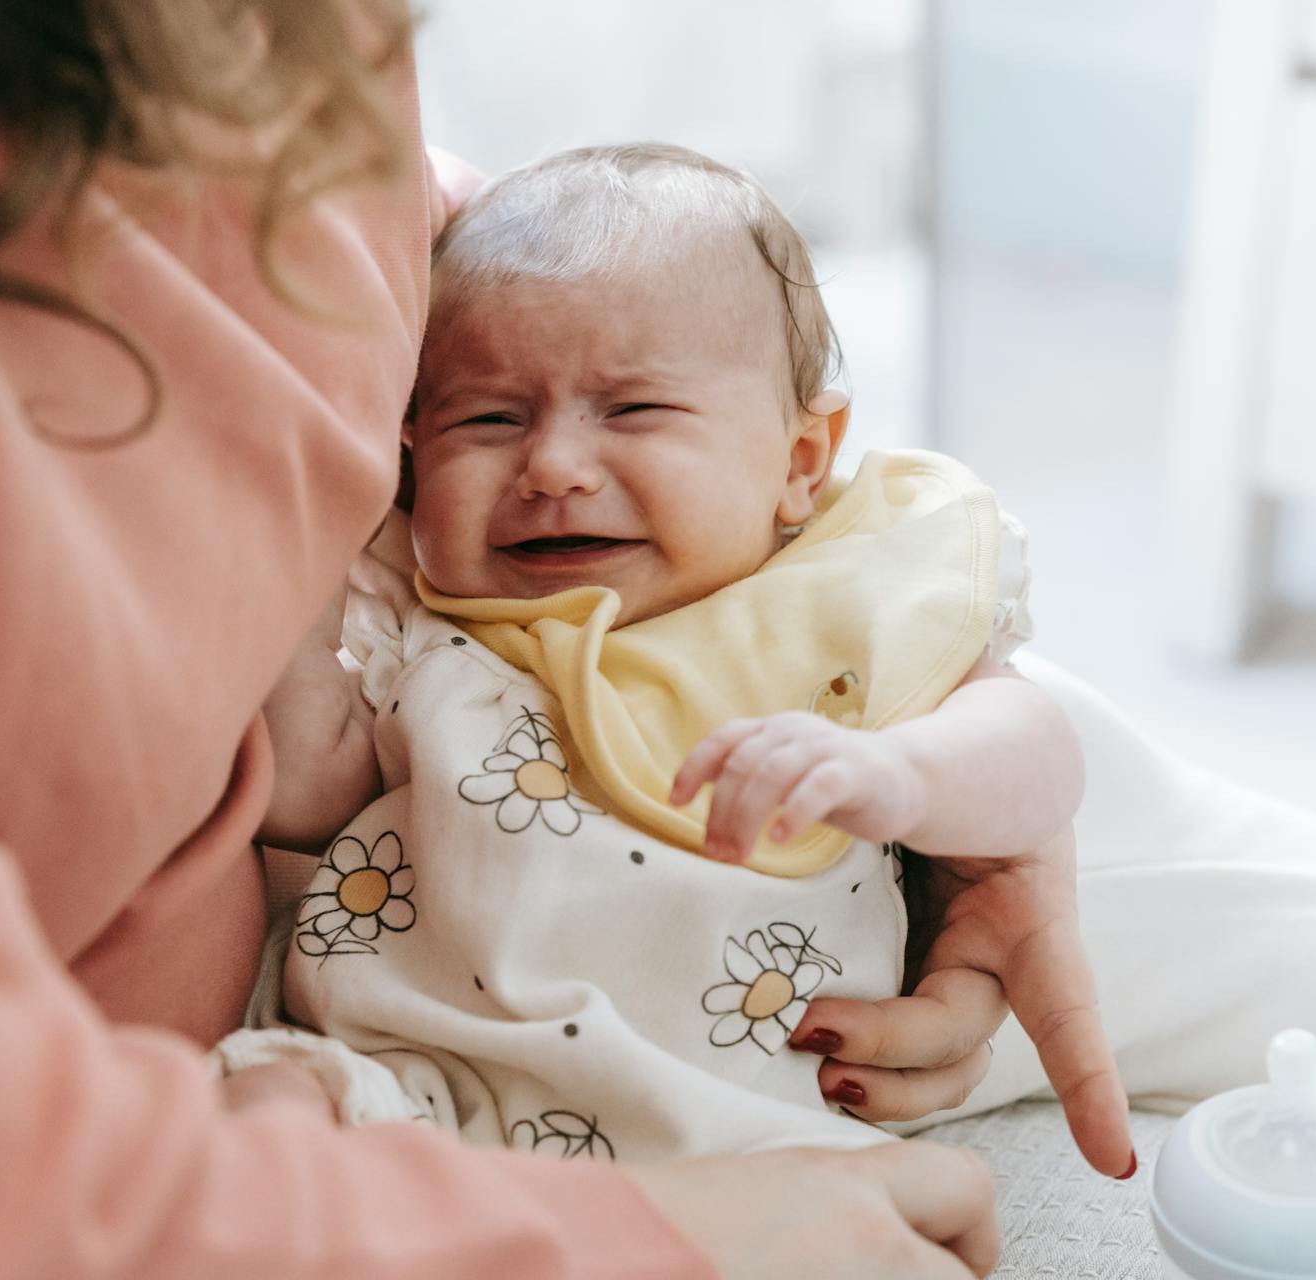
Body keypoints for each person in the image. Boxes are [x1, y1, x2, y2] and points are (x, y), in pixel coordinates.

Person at [0, 1, 1119, 1276]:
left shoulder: (268, 47)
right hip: (267, 1085)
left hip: (812, 901)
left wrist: (950, 786)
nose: (553, 461)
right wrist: (652, 1241)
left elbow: (473, 256)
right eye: (490, 426)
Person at [254, 143, 1101, 1162]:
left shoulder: (835, 603)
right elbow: (303, 791)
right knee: (261, 1113)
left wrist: (901, 772)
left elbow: (1037, 748)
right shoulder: (432, 631)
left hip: (755, 1125)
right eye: (488, 419)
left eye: (633, 409)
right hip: (416, 1090)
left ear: (799, 461)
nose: (554, 466)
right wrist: (295, 570)